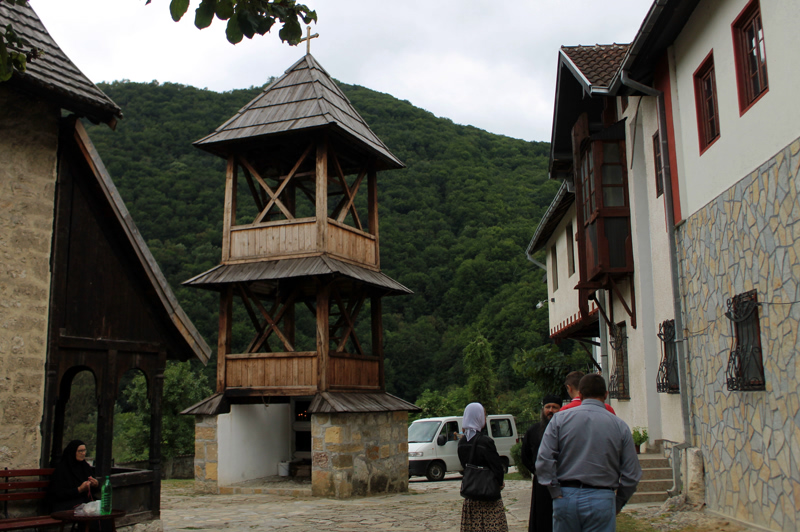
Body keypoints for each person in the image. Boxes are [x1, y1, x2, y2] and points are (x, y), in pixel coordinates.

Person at [535, 374, 642, 532]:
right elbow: (632, 473)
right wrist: (619, 502)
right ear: (605, 394)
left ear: (580, 394)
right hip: (602, 497)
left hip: (566, 495)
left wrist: (554, 490)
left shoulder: (559, 420)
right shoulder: (620, 426)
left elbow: (544, 459)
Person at [458, 402, 508, 532]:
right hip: (488, 494)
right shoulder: (486, 442)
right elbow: (497, 467)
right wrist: (499, 483)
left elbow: (465, 466)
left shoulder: (462, 442)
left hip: (471, 495)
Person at [520, 395, 562, 532]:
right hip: (541, 483)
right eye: (547, 407)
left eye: (555, 407)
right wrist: (537, 471)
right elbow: (525, 455)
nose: (551, 410)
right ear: (543, 409)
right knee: (541, 518)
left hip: (562, 480)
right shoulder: (533, 431)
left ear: (560, 409)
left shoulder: (565, 429)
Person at [48, 440, 100, 512]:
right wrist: (79, 490)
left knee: (103, 509)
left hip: (83, 501)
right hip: (66, 504)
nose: (83, 453)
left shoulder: (85, 467)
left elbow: (93, 492)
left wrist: (95, 484)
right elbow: (58, 494)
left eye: (84, 450)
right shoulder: (62, 469)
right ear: (73, 452)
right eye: (80, 451)